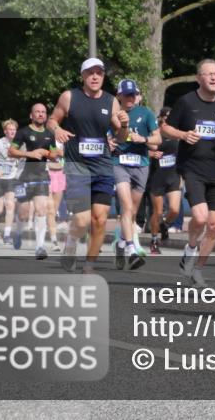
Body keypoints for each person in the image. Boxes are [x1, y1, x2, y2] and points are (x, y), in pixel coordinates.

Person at [47, 58, 129, 273]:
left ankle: (89, 265)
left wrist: (125, 124)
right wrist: (56, 130)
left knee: (100, 220)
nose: (95, 77)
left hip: (102, 167)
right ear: (82, 75)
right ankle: (71, 244)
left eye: (99, 73)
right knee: (82, 221)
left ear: (103, 76)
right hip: (77, 166)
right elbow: (52, 120)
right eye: (90, 73)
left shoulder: (111, 101)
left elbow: (121, 137)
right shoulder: (69, 97)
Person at [162, 59, 215, 287]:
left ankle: (198, 268)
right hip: (192, 169)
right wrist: (183, 135)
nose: (213, 78)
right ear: (199, 78)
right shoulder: (186, 102)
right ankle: (190, 247)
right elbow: (166, 128)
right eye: (208, 74)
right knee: (200, 217)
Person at [112, 80, 160, 270]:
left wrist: (145, 139)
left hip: (141, 164)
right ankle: (131, 249)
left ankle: (121, 243)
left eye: (133, 94)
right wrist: (110, 140)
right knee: (126, 206)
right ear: (119, 96)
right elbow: (111, 135)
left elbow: (158, 140)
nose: (130, 98)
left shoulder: (146, 113)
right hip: (120, 163)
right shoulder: (115, 115)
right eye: (126, 95)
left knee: (131, 211)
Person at [9, 104, 58, 259]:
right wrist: (30, 154)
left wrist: (48, 154)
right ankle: (18, 232)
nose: (40, 114)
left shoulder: (50, 134)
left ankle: (40, 247)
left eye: (43, 112)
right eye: (37, 112)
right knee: (23, 213)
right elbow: (11, 152)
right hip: (24, 177)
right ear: (31, 115)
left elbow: (55, 154)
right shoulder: (23, 132)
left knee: (41, 209)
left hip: (41, 176)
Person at [147, 106, 181, 254]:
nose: (168, 119)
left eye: (170, 117)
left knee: (174, 210)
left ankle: (164, 226)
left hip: (173, 176)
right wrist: (151, 153)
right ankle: (154, 241)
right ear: (161, 117)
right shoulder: (155, 132)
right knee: (158, 211)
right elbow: (142, 146)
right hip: (157, 177)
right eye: (165, 116)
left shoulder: (177, 133)